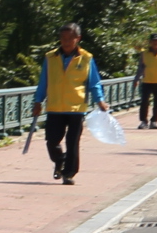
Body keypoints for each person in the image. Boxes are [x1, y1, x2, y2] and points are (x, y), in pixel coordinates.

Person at [31, 24, 107, 186]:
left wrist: (99, 100)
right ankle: (60, 160)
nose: (65, 42)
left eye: (69, 39)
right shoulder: (50, 57)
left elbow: (94, 82)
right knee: (51, 141)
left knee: (72, 142)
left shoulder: (86, 58)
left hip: (76, 108)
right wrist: (38, 101)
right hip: (55, 107)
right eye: (63, 38)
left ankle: (69, 173)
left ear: (77, 39)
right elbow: (44, 82)